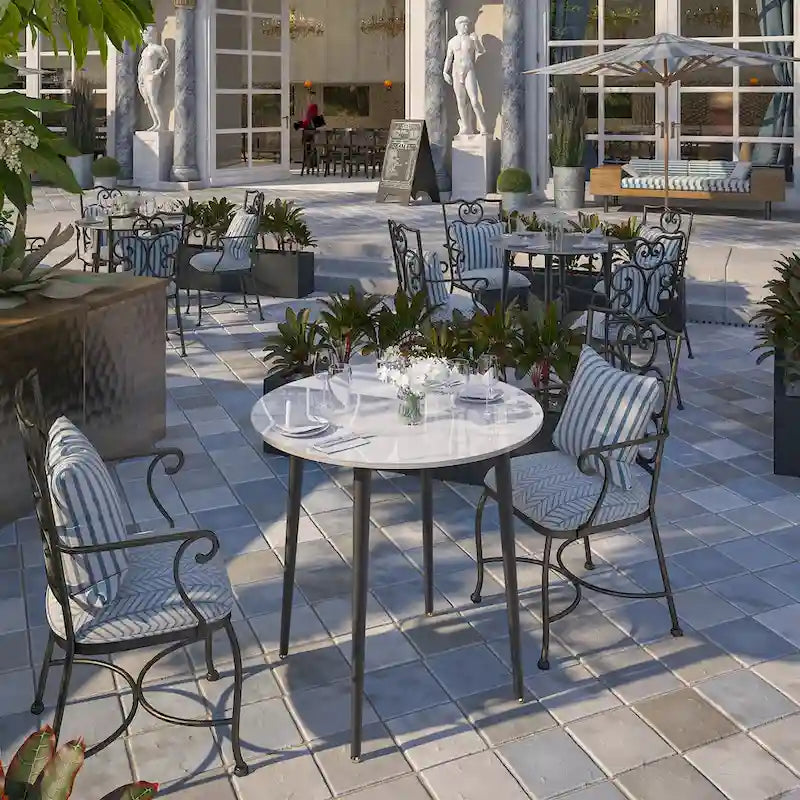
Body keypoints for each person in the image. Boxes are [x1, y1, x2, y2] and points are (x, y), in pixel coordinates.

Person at [443, 15, 489, 136]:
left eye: (467, 25)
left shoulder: (471, 39)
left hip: (469, 70)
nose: (466, 27)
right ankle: (466, 126)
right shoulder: (452, 41)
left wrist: (477, 40)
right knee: (461, 101)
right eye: (464, 25)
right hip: (456, 71)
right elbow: (449, 58)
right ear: (458, 26)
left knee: (474, 100)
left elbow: (481, 51)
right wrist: (444, 71)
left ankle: (483, 126)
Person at [137, 25, 169, 132]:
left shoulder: (157, 48)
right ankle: (155, 123)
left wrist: (159, 71)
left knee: (154, 100)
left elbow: (166, 60)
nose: (143, 37)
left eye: (144, 34)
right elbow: (142, 64)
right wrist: (140, 77)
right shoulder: (145, 50)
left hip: (152, 76)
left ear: (150, 35)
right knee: (148, 101)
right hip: (144, 77)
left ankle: (161, 124)